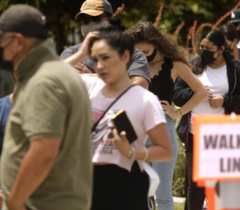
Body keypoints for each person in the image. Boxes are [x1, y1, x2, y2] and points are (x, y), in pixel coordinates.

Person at [65, 25, 173, 209]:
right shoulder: (88, 86)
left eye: (106, 58)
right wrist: (81, 53)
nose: (99, 66)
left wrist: (132, 153)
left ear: (125, 57)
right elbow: (43, 79)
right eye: (96, 59)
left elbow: (166, 151)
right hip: (85, 182)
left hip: (127, 186)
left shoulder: (145, 99)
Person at [0, 5, 93, 210]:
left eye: (2, 42)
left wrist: (14, 201)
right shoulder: (58, 73)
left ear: (18, 41)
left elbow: (44, 151)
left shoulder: (44, 82)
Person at [125, 22, 207, 210]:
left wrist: (178, 111)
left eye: (145, 51)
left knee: (162, 196)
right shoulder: (131, 64)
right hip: (136, 133)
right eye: (137, 52)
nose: (142, 57)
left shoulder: (174, 65)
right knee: (138, 195)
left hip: (163, 131)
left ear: (156, 44)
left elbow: (201, 92)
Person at [174, 30, 240, 210]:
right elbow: (177, 94)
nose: (203, 51)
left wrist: (224, 101)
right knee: (195, 186)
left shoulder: (236, 70)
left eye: (208, 48)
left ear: (221, 49)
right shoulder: (193, 66)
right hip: (194, 135)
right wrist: (196, 95)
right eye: (201, 47)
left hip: (224, 137)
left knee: (221, 185)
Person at [60, 0, 151, 89]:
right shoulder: (72, 54)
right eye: (85, 20)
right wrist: (120, 78)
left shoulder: (133, 55)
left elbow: (139, 86)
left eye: (96, 18)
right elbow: (64, 82)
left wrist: (92, 77)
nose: (90, 24)